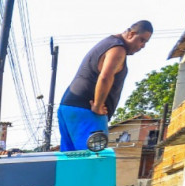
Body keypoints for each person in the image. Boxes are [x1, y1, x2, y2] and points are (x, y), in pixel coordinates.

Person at [57, 21, 153, 152]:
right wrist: (97, 105)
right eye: (142, 40)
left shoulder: (108, 42)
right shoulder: (118, 49)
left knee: (70, 161)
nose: (142, 46)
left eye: (145, 43)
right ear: (131, 34)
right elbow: (105, 77)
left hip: (68, 107)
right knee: (94, 161)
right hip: (87, 111)